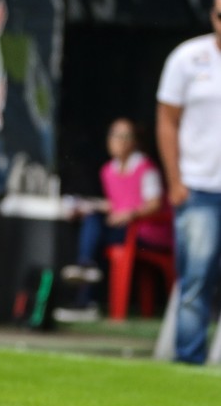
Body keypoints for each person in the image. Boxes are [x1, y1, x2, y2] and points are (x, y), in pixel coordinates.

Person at [156, 0, 221, 365]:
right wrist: (175, 181)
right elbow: (166, 120)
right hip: (198, 186)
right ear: (211, 16)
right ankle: (189, 366)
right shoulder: (186, 58)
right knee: (196, 281)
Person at [55, 118, 173, 323]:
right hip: (123, 228)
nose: (118, 141)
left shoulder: (146, 168)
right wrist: (88, 206)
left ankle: (85, 284)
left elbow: (153, 204)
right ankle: (85, 287)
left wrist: (129, 214)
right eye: (115, 135)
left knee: (96, 235)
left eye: (124, 136)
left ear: (134, 142)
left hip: (147, 231)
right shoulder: (108, 170)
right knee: (91, 220)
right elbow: (115, 203)